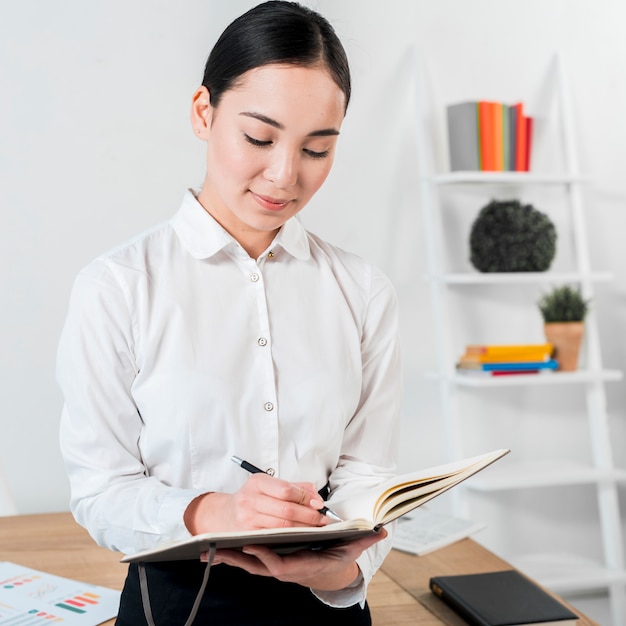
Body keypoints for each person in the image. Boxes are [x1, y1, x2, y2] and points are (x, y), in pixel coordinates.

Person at [57, 2, 402, 624]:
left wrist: (344, 568)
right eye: (259, 137)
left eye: (317, 150)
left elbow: (367, 471)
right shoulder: (118, 288)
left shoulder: (363, 290)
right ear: (203, 112)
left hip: (326, 606)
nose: (284, 175)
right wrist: (216, 511)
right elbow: (100, 492)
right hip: (176, 604)